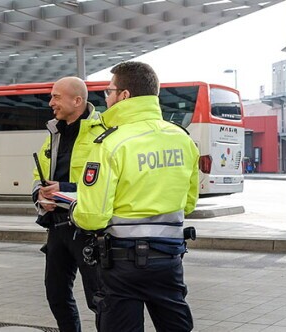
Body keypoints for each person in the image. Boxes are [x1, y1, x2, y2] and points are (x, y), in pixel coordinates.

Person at [71, 61, 199, 332]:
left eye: (109, 91)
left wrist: (73, 210)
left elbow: (92, 217)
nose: (106, 98)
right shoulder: (182, 139)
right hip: (169, 259)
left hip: (122, 263)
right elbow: (188, 203)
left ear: (125, 95)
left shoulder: (110, 143)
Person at [32, 77, 106, 332]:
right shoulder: (54, 132)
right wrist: (40, 196)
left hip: (88, 227)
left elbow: (106, 182)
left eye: (56, 97)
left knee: (99, 298)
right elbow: (39, 175)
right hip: (57, 226)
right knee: (56, 294)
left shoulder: (102, 132)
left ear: (77, 100)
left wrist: (64, 189)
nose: (50, 103)